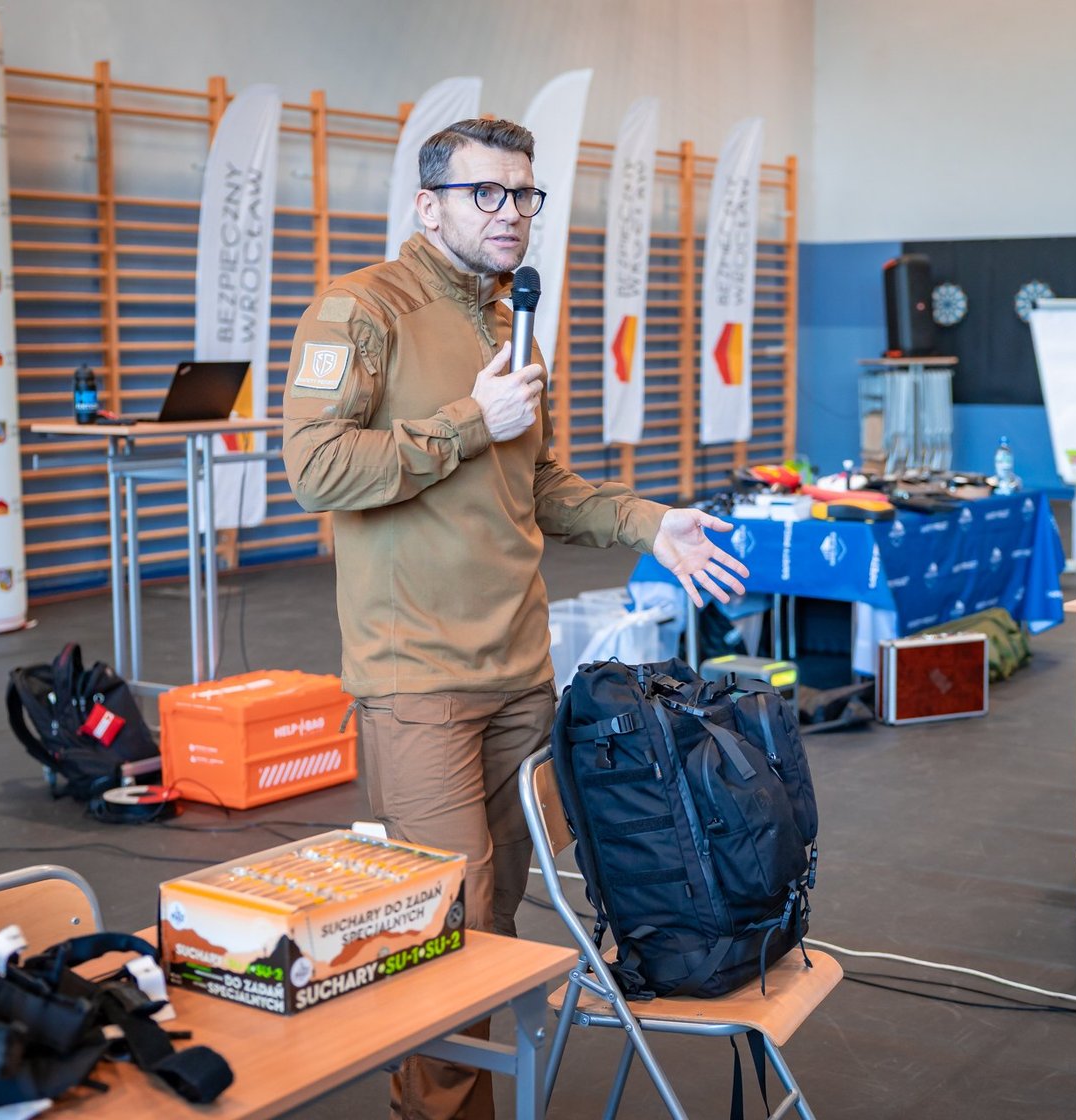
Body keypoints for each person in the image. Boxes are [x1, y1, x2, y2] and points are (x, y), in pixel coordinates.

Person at [281, 117, 747, 1120]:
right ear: (429, 205)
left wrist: (651, 522)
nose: (510, 213)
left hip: (520, 674)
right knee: (442, 927)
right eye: (485, 193)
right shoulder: (362, 309)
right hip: (418, 677)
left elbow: (537, 485)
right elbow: (315, 469)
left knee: (490, 920)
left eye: (524, 194)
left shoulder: (512, 323)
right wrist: (466, 420)